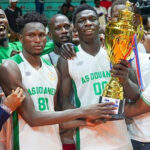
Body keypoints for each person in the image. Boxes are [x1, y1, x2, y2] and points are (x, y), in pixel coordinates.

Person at [0, 12, 116, 150]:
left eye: (41, 35)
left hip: (54, 144)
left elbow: (55, 119)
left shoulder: (53, 71)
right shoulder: (10, 67)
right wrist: (84, 111)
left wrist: (85, 121)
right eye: (31, 35)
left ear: (46, 37)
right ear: (20, 38)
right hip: (25, 144)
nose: (37, 40)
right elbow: (32, 118)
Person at [58, 4, 140, 150]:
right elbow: (63, 103)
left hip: (121, 139)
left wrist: (125, 80)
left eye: (92, 19)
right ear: (74, 27)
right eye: (82, 20)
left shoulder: (118, 52)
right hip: (88, 140)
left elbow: (135, 95)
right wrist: (86, 114)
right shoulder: (67, 59)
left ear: (99, 23)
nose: (88, 23)